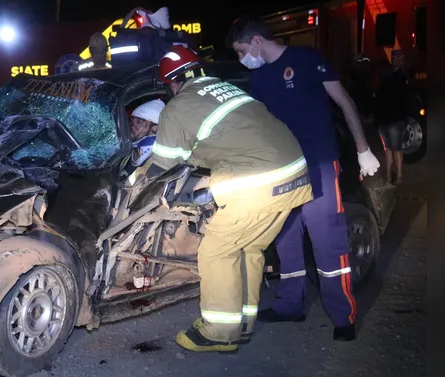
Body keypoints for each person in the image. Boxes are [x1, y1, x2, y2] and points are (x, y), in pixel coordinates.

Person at [140, 45, 314, 352]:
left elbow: (161, 165)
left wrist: (133, 181)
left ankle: (219, 333)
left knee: (216, 251)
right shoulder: (225, 88)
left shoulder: (177, 107)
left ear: (172, 83)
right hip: (295, 174)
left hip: (260, 182)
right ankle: (242, 324)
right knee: (248, 247)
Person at [226, 16, 380, 341]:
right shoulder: (259, 79)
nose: (242, 59)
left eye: (241, 51)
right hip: (282, 171)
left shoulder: (306, 60)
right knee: (287, 241)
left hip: (319, 165)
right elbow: (260, 126)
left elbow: (345, 102)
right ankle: (289, 306)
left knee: (329, 243)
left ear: (256, 41)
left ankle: (343, 317)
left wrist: (363, 148)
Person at [374, 61, 408, 184]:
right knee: (391, 148)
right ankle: (393, 175)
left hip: (392, 120)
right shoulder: (386, 83)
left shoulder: (390, 83)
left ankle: (396, 175)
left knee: (392, 148)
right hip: (388, 120)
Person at [127, 99, 164, 175]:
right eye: (132, 120)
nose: (133, 125)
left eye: (139, 122)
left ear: (154, 129)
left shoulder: (151, 146)